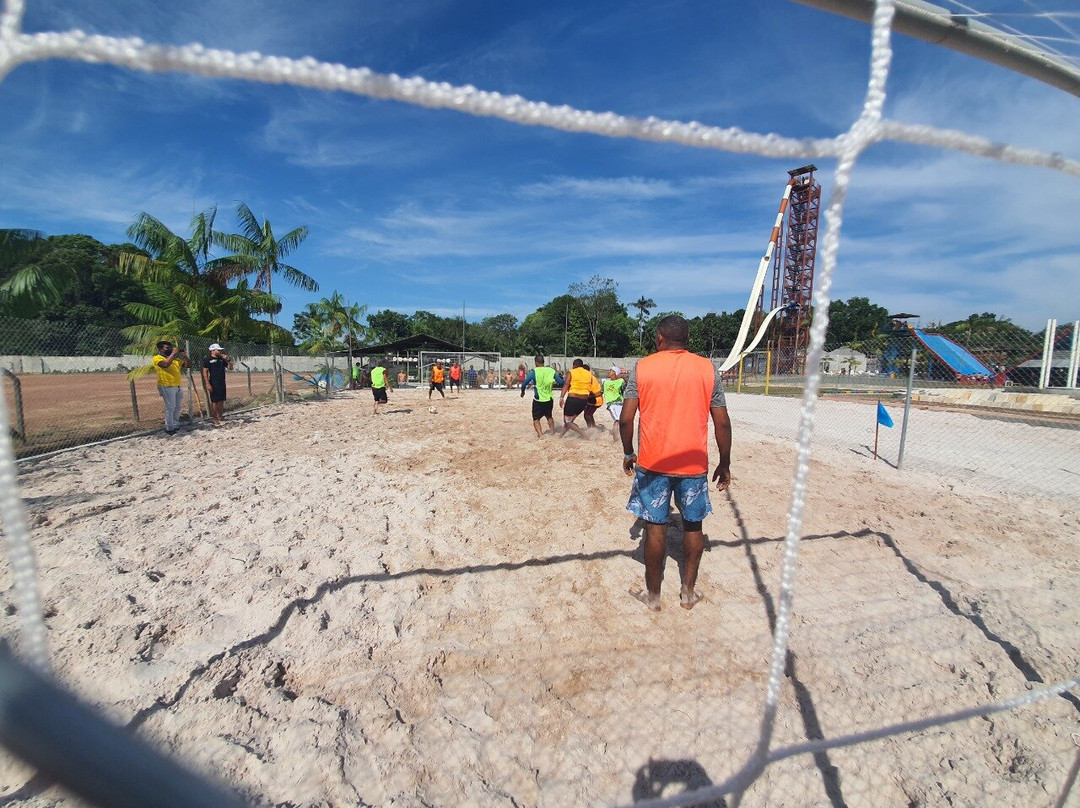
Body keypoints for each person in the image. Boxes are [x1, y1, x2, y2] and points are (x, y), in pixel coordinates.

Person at [620, 315, 731, 612]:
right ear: (687, 339)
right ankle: (688, 594)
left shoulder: (642, 367)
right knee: (693, 527)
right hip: (693, 464)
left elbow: (626, 418)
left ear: (659, 338)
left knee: (655, 528)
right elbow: (721, 421)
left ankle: (653, 597)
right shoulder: (708, 369)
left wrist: (629, 452)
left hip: (653, 462)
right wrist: (725, 462)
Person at [520, 354, 562, 438]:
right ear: (543, 362)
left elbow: (524, 383)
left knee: (536, 419)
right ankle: (553, 432)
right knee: (549, 416)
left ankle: (540, 434)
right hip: (549, 399)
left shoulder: (534, 372)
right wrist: (553, 383)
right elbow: (561, 382)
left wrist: (523, 392)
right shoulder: (551, 371)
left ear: (536, 362)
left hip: (538, 399)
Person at [152, 339, 188, 434]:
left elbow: (188, 365)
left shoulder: (175, 360)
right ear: (161, 349)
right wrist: (173, 354)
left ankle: (175, 425)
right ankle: (169, 427)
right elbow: (165, 365)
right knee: (170, 406)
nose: (170, 349)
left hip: (177, 385)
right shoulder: (157, 358)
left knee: (177, 406)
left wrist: (185, 357)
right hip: (166, 385)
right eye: (167, 348)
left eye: (171, 348)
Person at [558, 358, 593, 438]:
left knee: (567, 422)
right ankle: (560, 436)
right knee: (570, 421)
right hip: (584, 400)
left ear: (574, 365)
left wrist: (561, 398)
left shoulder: (571, 372)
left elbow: (566, 384)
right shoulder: (589, 374)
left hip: (573, 399)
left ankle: (584, 434)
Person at [201, 343, 233, 426]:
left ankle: (220, 416)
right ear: (212, 351)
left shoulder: (222, 359)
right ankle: (214, 418)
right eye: (218, 350)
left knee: (221, 399)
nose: (220, 351)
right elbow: (205, 372)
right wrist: (207, 383)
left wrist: (228, 360)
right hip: (213, 382)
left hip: (222, 381)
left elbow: (230, 368)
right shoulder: (208, 359)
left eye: (220, 350)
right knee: (215, 401)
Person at [603, 365, 626, 442]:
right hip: (612, 404)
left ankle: (617, 437)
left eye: (611, 371)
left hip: (620, 403)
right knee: (618, 420)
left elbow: (624, 391)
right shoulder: (605, 382)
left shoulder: (621, 381)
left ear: (615, 373)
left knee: (619, 421)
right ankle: (616, 439)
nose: (609, 372)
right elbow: (600, 392)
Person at [582, 363, 603, 429]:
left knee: (587, 415)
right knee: (589, 414)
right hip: (593, 398)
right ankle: (593, 427)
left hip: (596, 399)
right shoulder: (590, 377)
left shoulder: (589, 378)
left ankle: (590, 428)